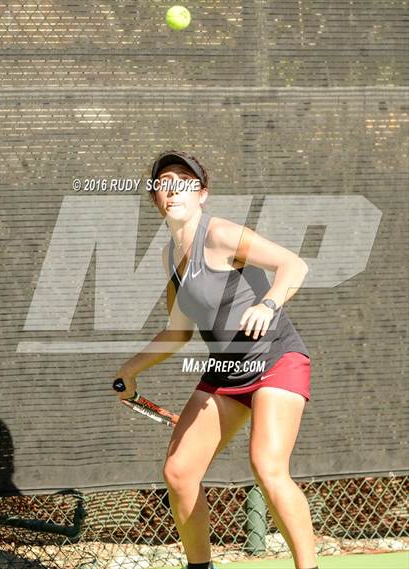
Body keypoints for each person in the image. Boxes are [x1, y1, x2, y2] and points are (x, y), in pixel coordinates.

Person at [115, 151, 319, 569]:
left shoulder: (222, 234)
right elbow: (178, 332)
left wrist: (268, 303)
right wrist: (129, 369)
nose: (173, 187)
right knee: (179, 472)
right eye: (164, 182)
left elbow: (292, 265)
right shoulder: (169, 257)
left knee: (267, 466)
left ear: (202, 194)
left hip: (275, 359)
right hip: (226, 370)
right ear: (156, 198)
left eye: (185, 181)